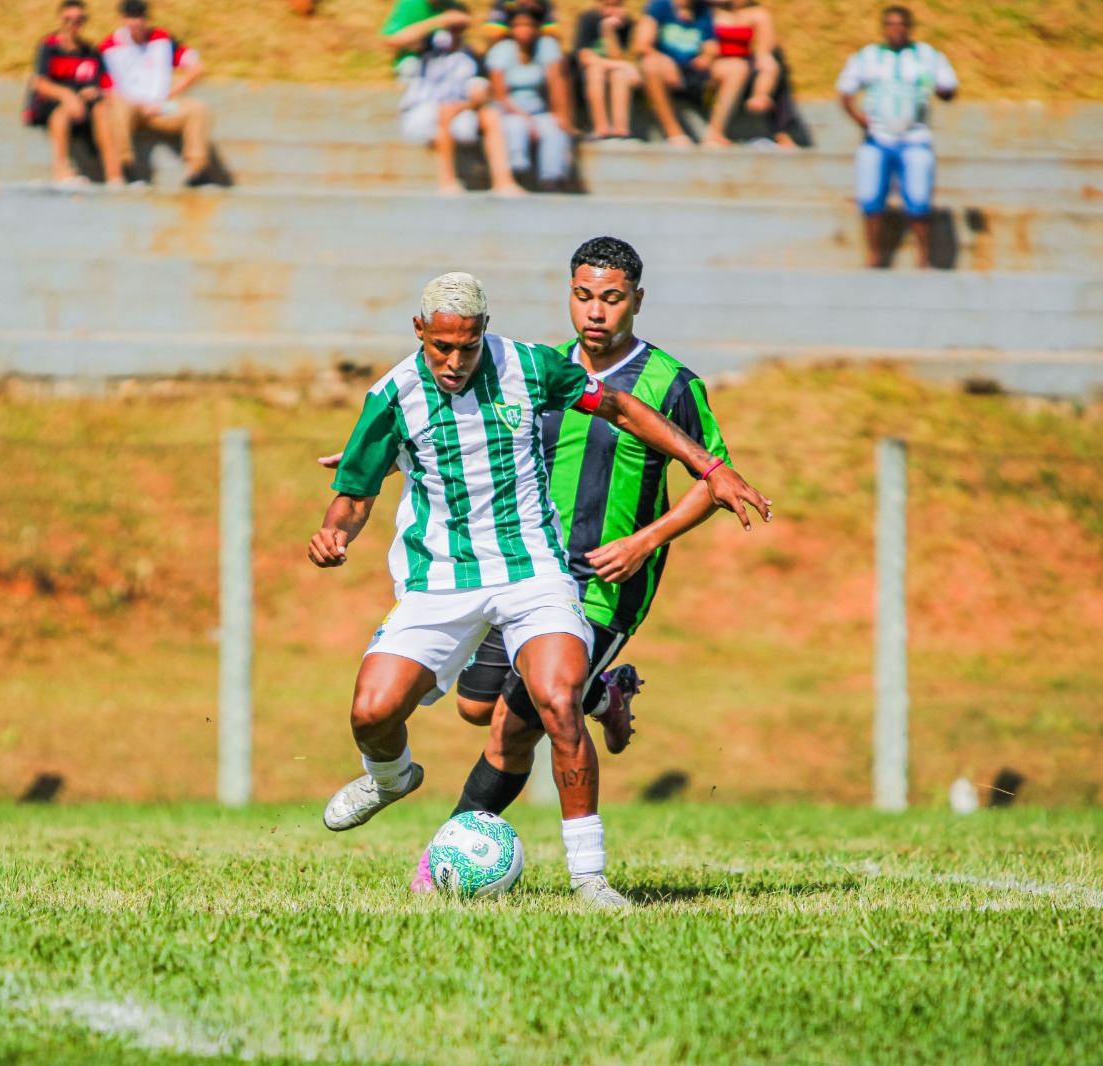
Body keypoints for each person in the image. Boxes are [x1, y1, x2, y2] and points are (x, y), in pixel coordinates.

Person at [309, 272, 770, 908]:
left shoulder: (530, 366)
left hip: (534, 572)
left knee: (555, 701)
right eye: (442, 347)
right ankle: (389, 778)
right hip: (439, 580)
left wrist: (710, 466)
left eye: (468, 346)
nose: (455, 361)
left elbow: (620, 405)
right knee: (374, 710)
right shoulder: (391, 397)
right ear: (420, 333)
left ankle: (590, 878)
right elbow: (352, 499)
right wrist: (334, 535)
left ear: (484, 332)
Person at [417, 238, 736, 891]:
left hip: (606, 581)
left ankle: (443, 866)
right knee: (476, 708)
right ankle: (603, 690)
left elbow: (715, 480)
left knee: (516, 722)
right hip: (531, 572)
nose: (596, 312)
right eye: (584, 296)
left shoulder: (671, 385)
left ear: (637, 302)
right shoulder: (542, 371)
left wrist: (643, 542)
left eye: (612, 299)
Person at [837, 5, 958, 268]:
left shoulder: (927, 56)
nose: (896, 30)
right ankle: (874, 255)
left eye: (901, 25)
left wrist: (941, 90)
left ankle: (923, 257)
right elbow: (845, 91)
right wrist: (859, 119)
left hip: (915, 138)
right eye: (891, 24)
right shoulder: (868, 56)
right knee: (870, 198)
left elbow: (949, 89)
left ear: (909, 28)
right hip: (877, 139)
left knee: (918, 199)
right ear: (884, 28)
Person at [395, 13, 524, 198]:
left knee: (490, 115)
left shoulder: (471, 57)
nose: (452, 31)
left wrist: (461, 107)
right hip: (421, 114)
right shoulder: (426, 49)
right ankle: (446, 181)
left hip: (459, 114)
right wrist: (437, 21)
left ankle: (503, 181)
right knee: (443, 111)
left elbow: (478, 94)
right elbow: (395, 40)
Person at [99, 0, 215, 188]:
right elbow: (106, 89)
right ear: (121, 19)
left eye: (139, 17)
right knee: (117, 106)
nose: (135, 22)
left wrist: (169, 95)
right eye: (130, 17)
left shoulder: (162, 39)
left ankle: (197, 171)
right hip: (131, 110)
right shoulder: (108, 47)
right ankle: (126, 166)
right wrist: (136, 104)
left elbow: (197, 68)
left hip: (163, 108)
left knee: (197, 108)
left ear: (146, 18)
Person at [25, 0, 121, 186]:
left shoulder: (89, 51)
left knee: (102, 110)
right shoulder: (49, 46)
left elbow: (105, 86)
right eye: (68, 19)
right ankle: (61, 171)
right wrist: (66, 96)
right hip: (52, 105)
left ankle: (115, 176)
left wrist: (94, 93)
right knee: (63, 112)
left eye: (78, 20)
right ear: (60, 20)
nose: (72, 25)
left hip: (85, 108)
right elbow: (39, 82)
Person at [485, 5, 573, 190]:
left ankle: (551, 179)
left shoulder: (546, 47)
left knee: (554, 129)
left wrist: (562, 116)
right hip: (510, 110)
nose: (523, 30)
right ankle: (518, 174)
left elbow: (556, 82)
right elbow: (500, 95)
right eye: (518, 25)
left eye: (528, 25)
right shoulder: (501, 50)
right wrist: (525, 118)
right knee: (516, 127)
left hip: (537, 110)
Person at [635, 0, 745, 147]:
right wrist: (665, 61)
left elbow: (711, 45)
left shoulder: (702, 11)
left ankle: (714, 134)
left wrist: (706, 57)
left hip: (694, 69)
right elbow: (641, 45)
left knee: (738, 67)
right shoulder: (660, 6)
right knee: (649, 65)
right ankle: (674, 134)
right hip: (666, 67)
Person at [705, 0, 801, 148]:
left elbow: (765, 48)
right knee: (738, 69)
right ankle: (715, 132)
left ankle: (761, 98)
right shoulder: (705, 13)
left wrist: (764, 59)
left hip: (746, 63)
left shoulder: (757, 14)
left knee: (774, 65)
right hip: (719, 65)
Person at [572, 0, 640, 140]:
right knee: (595, 71)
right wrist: (625, 66)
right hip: (587, 73)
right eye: (607, 5)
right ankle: (601, 129)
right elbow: (585, 58)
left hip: (610, 69)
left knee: (619, 75)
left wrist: (608, 31)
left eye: (616, 6)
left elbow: (616, 56)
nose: (611, 10)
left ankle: (620, 130)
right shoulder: (589, 20)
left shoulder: (624, 24)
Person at [381, 0, 474, 77]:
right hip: (416, 59)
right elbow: (390, 40)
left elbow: (458, 45)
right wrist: (438, 21)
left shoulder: (451, 5)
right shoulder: (410, 4)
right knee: (411, 66)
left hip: (444, 59)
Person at [484, 0, 558, 41]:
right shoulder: (503, 3)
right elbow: (493, 34)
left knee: (549, 46)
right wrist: (518, 34)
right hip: (511, 45)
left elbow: (553, 33)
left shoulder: (543, 4)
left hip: (537, 46)